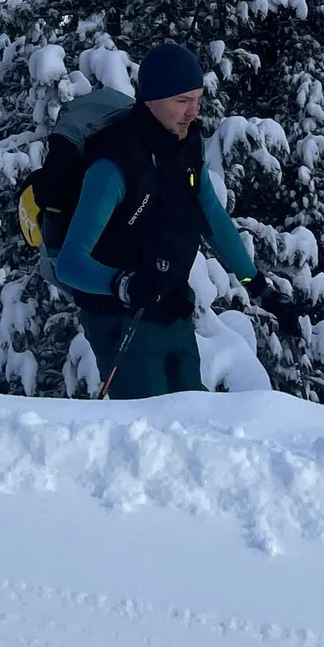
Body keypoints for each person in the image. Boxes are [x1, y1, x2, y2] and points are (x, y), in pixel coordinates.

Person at [54, 40, 257, 398]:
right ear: (150, 100)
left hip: (174, 312)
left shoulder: (185, 148)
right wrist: (124, 284)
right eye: (182, 101)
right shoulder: (114, 164)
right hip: (121, 321)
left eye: (197, 98)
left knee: (194, 424)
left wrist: (255, 282)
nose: (193, 111)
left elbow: (210, 214)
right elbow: (69, 263)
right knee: (149, 438)